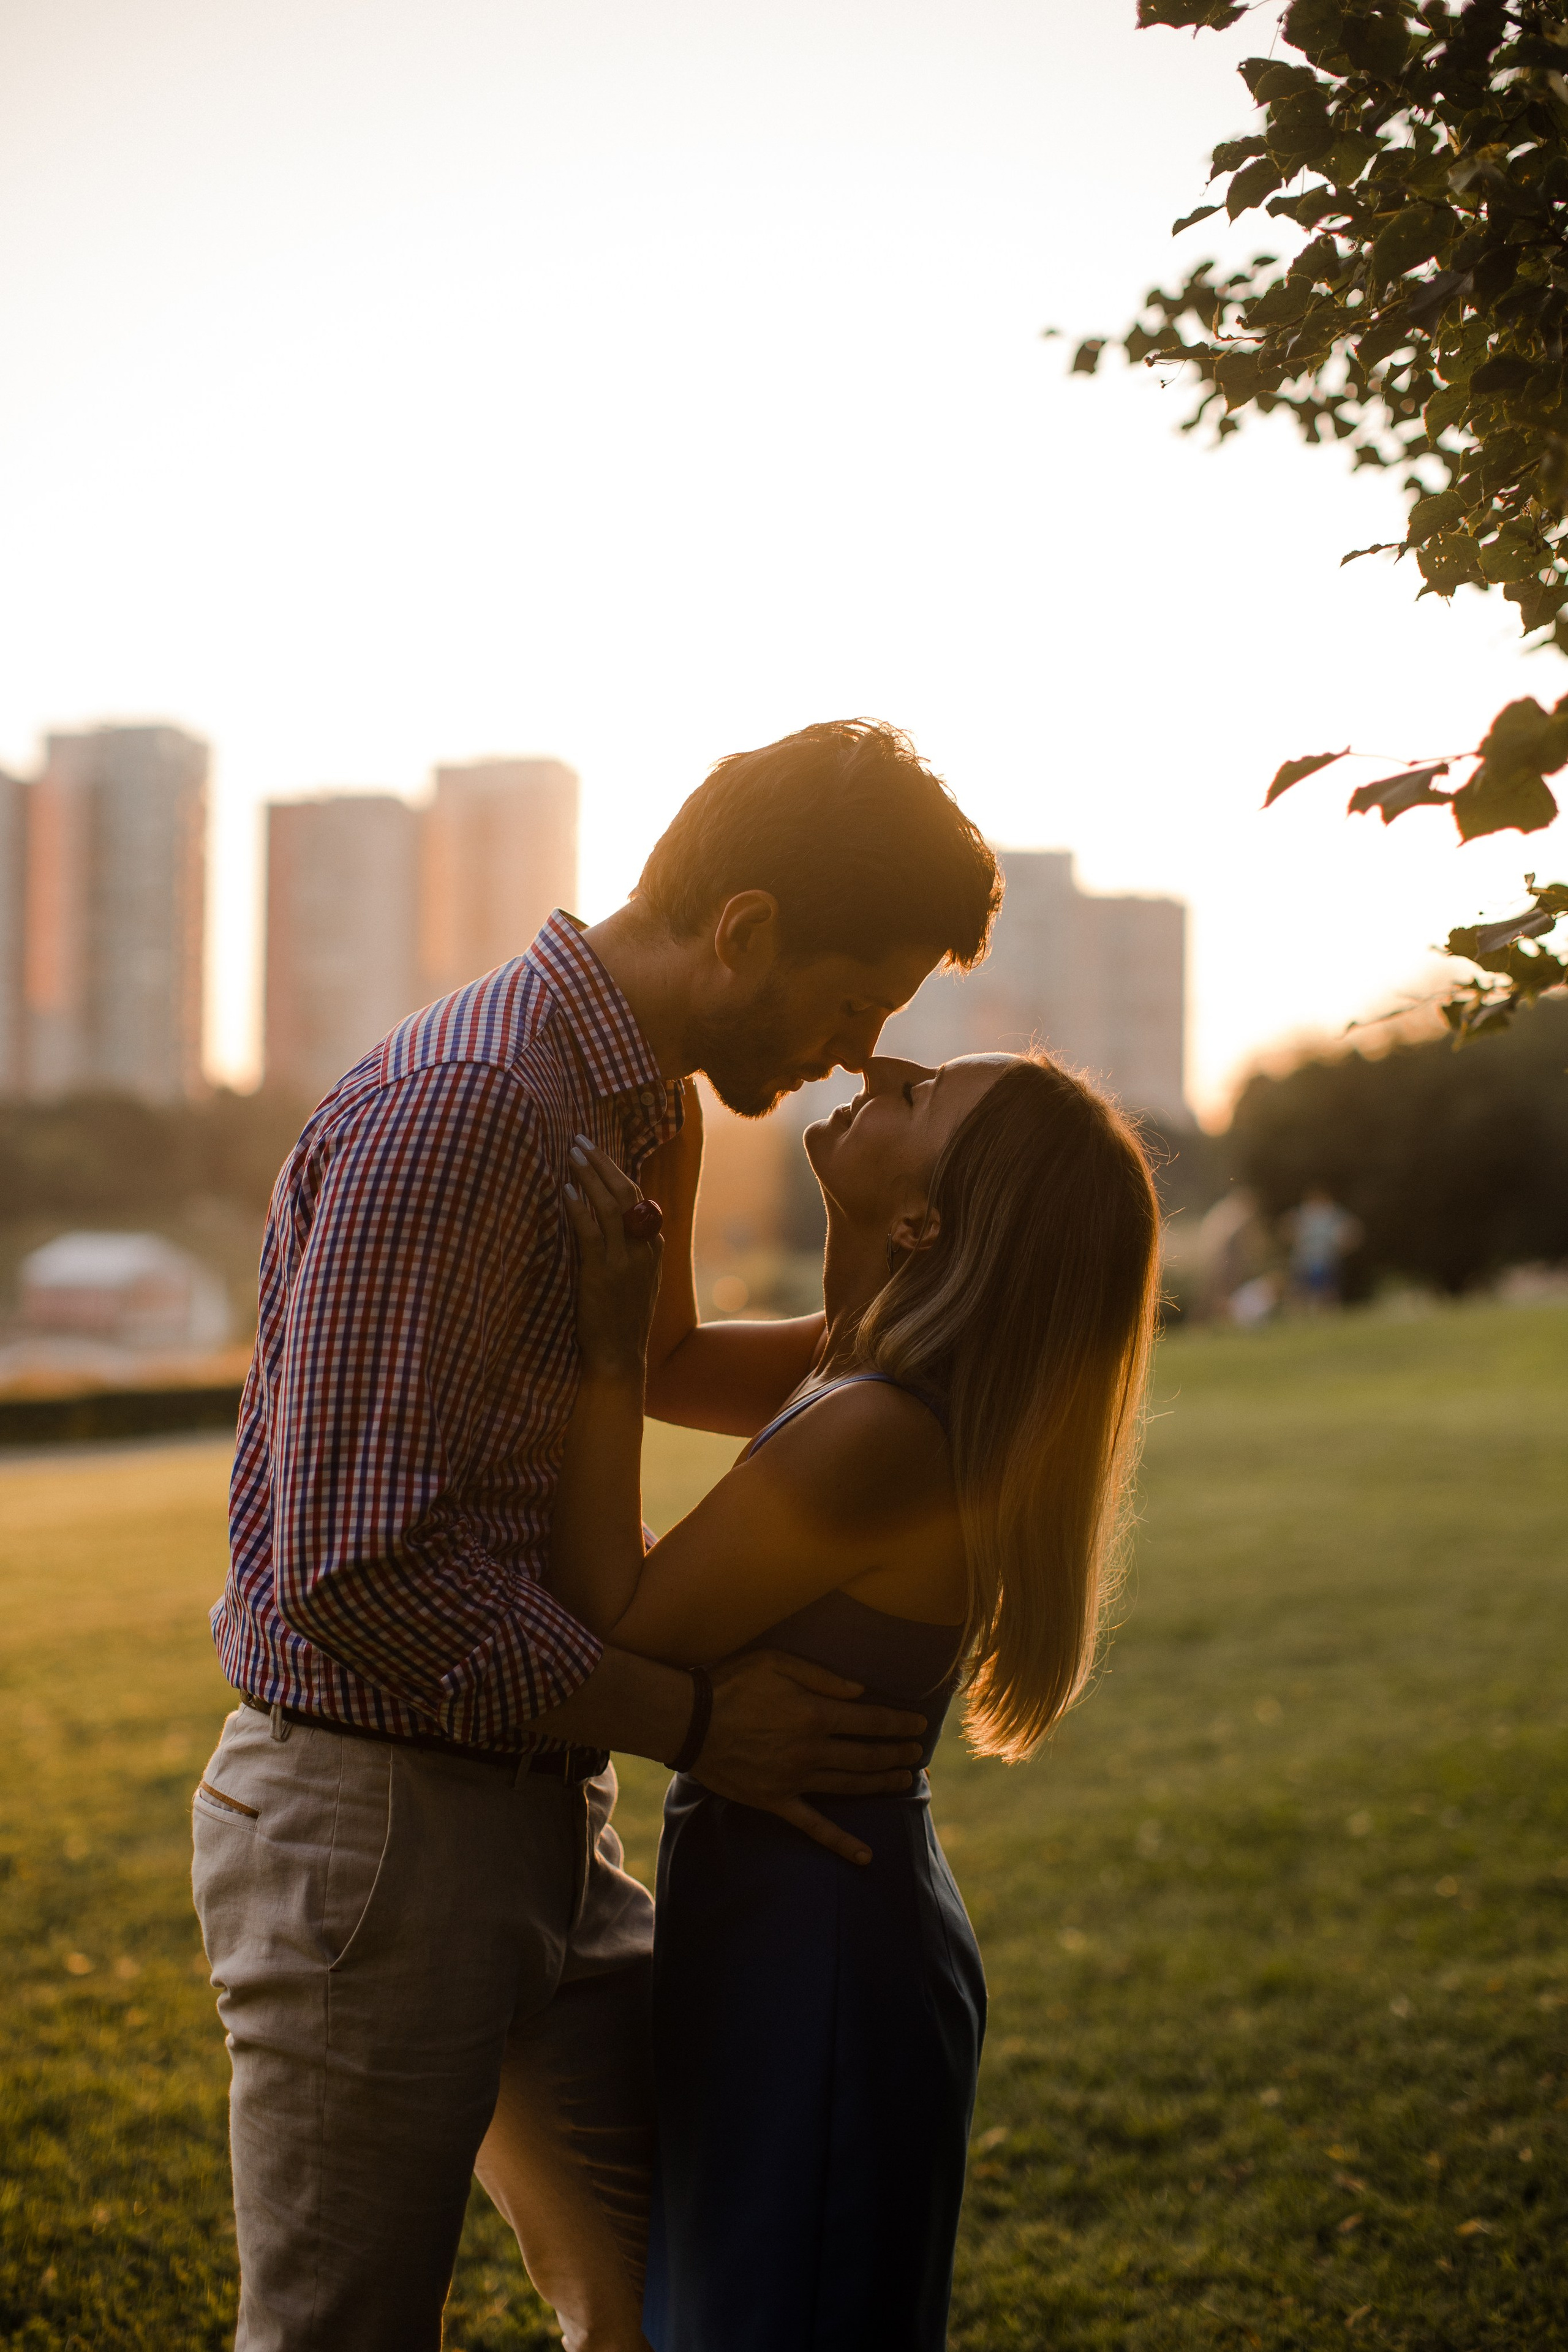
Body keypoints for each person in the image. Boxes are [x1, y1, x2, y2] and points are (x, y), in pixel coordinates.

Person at [190, 718, 1000, 2352]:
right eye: (859, 1000)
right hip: (377, 1829)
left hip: (547, 1816)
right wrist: (697, 1722)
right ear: (748, 928)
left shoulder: (641, 1100)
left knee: (657, 2299)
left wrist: (952, 1338)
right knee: (341, 2327)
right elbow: (352, 1575)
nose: (859, 1053)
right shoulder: (476, 1111)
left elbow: (672, 1370)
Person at [550, 1042, 1161, 2351]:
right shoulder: (850, 1367)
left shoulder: (879, 1431)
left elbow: (614, 1630)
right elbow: (675, 1362)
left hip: (816, 1952)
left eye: (926, 1093)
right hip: (783, 1911)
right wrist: (671, 1129)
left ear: (922, 1220)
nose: (886, 1060)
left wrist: (599, 1355)